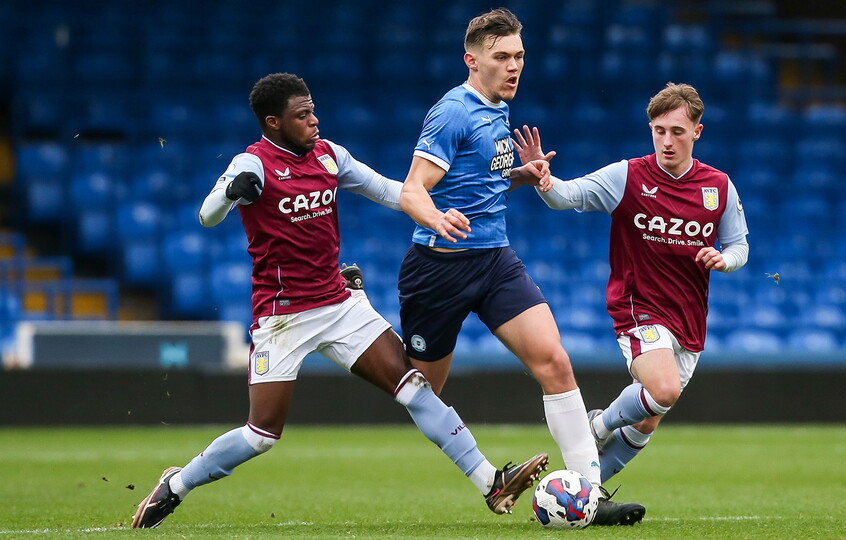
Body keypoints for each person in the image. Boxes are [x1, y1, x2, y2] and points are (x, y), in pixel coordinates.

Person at [130, 73, 549, 529]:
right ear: (273, 123)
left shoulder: (330, 155)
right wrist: (232, 194)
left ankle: (491, 482)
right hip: (283, 318)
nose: (314, 120)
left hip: (338, 304)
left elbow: (390, 191)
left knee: (415, 388)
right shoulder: (252, 164)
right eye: (302, 115)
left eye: (312, 110)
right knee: (262, 435)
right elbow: (207, 215)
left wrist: (438, 209)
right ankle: (177, 484)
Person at [396, 8, 644, 526]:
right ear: (472, 60)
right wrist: (437, 217)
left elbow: (480, 178)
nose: (514, 66)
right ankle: (484, 473)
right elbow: (412, 190)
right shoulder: (453, 112)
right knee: (422, 391)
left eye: (520, 56)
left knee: (555, 362)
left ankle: (590, 496)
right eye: (502, 57)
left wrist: (521, 175)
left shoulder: (498, 109)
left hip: (494, 262)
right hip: (437, 269)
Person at [512, 82, 750, 485]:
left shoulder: (718, 186)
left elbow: (739, 245)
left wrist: (724, 260)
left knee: (647, 419)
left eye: (677, 131)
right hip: (639, 307)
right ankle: (597, 426)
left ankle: (586, 494)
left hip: (689, 318)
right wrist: (543, 179)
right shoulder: (628, 176)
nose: (667, 141)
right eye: (659, 130)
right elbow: (566, 196)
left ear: (697, 132)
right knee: (663, 390)